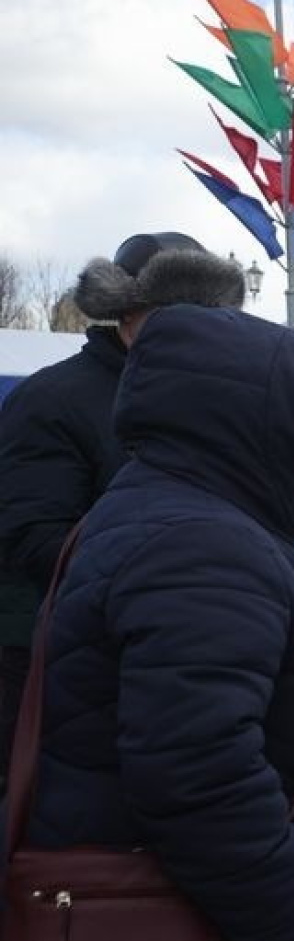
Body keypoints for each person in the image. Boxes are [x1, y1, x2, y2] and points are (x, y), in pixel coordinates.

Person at [25, 304, 294, 941]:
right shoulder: (201, 538)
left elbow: (201, 659)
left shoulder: (168, 504)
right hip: (171, 916)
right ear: (252, 420)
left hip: (138, 876)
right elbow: (196, 773)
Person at [0, 232, 246, 787]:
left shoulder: (193, 404)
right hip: (56, 660)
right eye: (175, 317)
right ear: (127, 315)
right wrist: (176, 577)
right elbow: (36, 538)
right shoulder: (53, 398)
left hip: (166, 649)